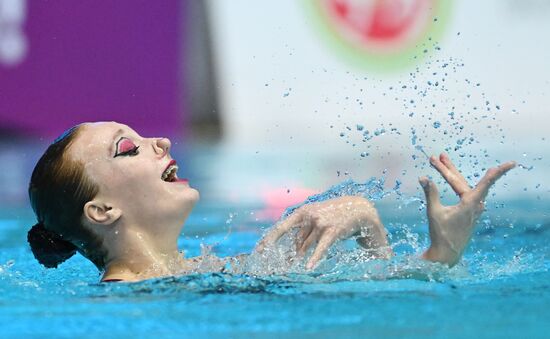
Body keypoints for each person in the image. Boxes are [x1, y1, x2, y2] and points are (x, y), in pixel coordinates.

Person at [27, 122, 516, 282]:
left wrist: (440, 256)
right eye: (127, 148)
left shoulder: (209, 273)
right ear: (102, 211)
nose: (160, 141)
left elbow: (376, 290)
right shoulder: (125, 313)